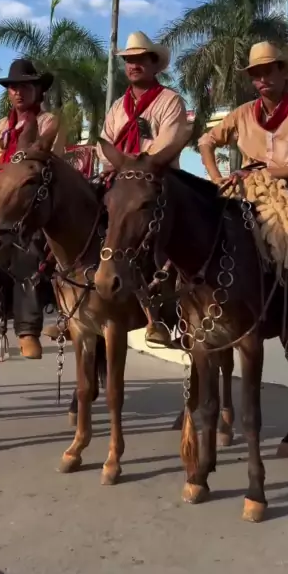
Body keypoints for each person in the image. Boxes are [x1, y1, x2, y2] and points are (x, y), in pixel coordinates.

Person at [198, 40, 288, 366]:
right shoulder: (242, 113)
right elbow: (206, 141)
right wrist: (216, 178)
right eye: (256, 74)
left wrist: (265, 173)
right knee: (199, 229)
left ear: (283, 72)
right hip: (244, 190)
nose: (262, 79)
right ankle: (185, 314)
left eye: (268, 71)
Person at [98, 31, 192, 345]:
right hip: (121, 177)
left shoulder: (170, 101)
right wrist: (118, 164)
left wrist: (131, 163)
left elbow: (166, 144)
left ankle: (162, 314)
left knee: (159, 234)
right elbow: (104, 144)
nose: (134, 65)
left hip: (157, 179)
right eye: (129, 60)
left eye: (140, 59)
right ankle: (75, 302)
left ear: (154, 64)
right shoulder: (117, 107)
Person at [0, 58, 66, 360]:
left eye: (25, 87)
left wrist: (0, 168)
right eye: (13, 87)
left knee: (27, 246)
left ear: (38, 90)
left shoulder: (49, 122)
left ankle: (28, 329)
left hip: (33, 197)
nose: (18, 92)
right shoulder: (1, 126)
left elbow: (43, 162)